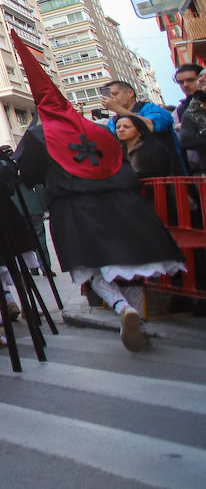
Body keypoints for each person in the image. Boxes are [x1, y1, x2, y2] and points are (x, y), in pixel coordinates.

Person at [13, 35, 185, 353]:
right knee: (131, 262)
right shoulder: (96, 126)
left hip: (75, 207)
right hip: (123, 201)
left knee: (91, 268)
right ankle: (135, 319)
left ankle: (123, 309)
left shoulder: (38, 134)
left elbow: (30, 174)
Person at [101, 80, 183, 174]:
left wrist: (118, 109)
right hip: (133, 175)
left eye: (115, 94)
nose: (111, 99)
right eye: (108, 96)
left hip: (168, 175)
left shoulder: (151, 109)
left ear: (130, 93)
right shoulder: (112, 122)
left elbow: (152, 126)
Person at [174, 63, 206, 173]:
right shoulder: (183, 110)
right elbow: (186, 140)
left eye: (190, 80)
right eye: (181, 82)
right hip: (198, 168)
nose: (185, 85)